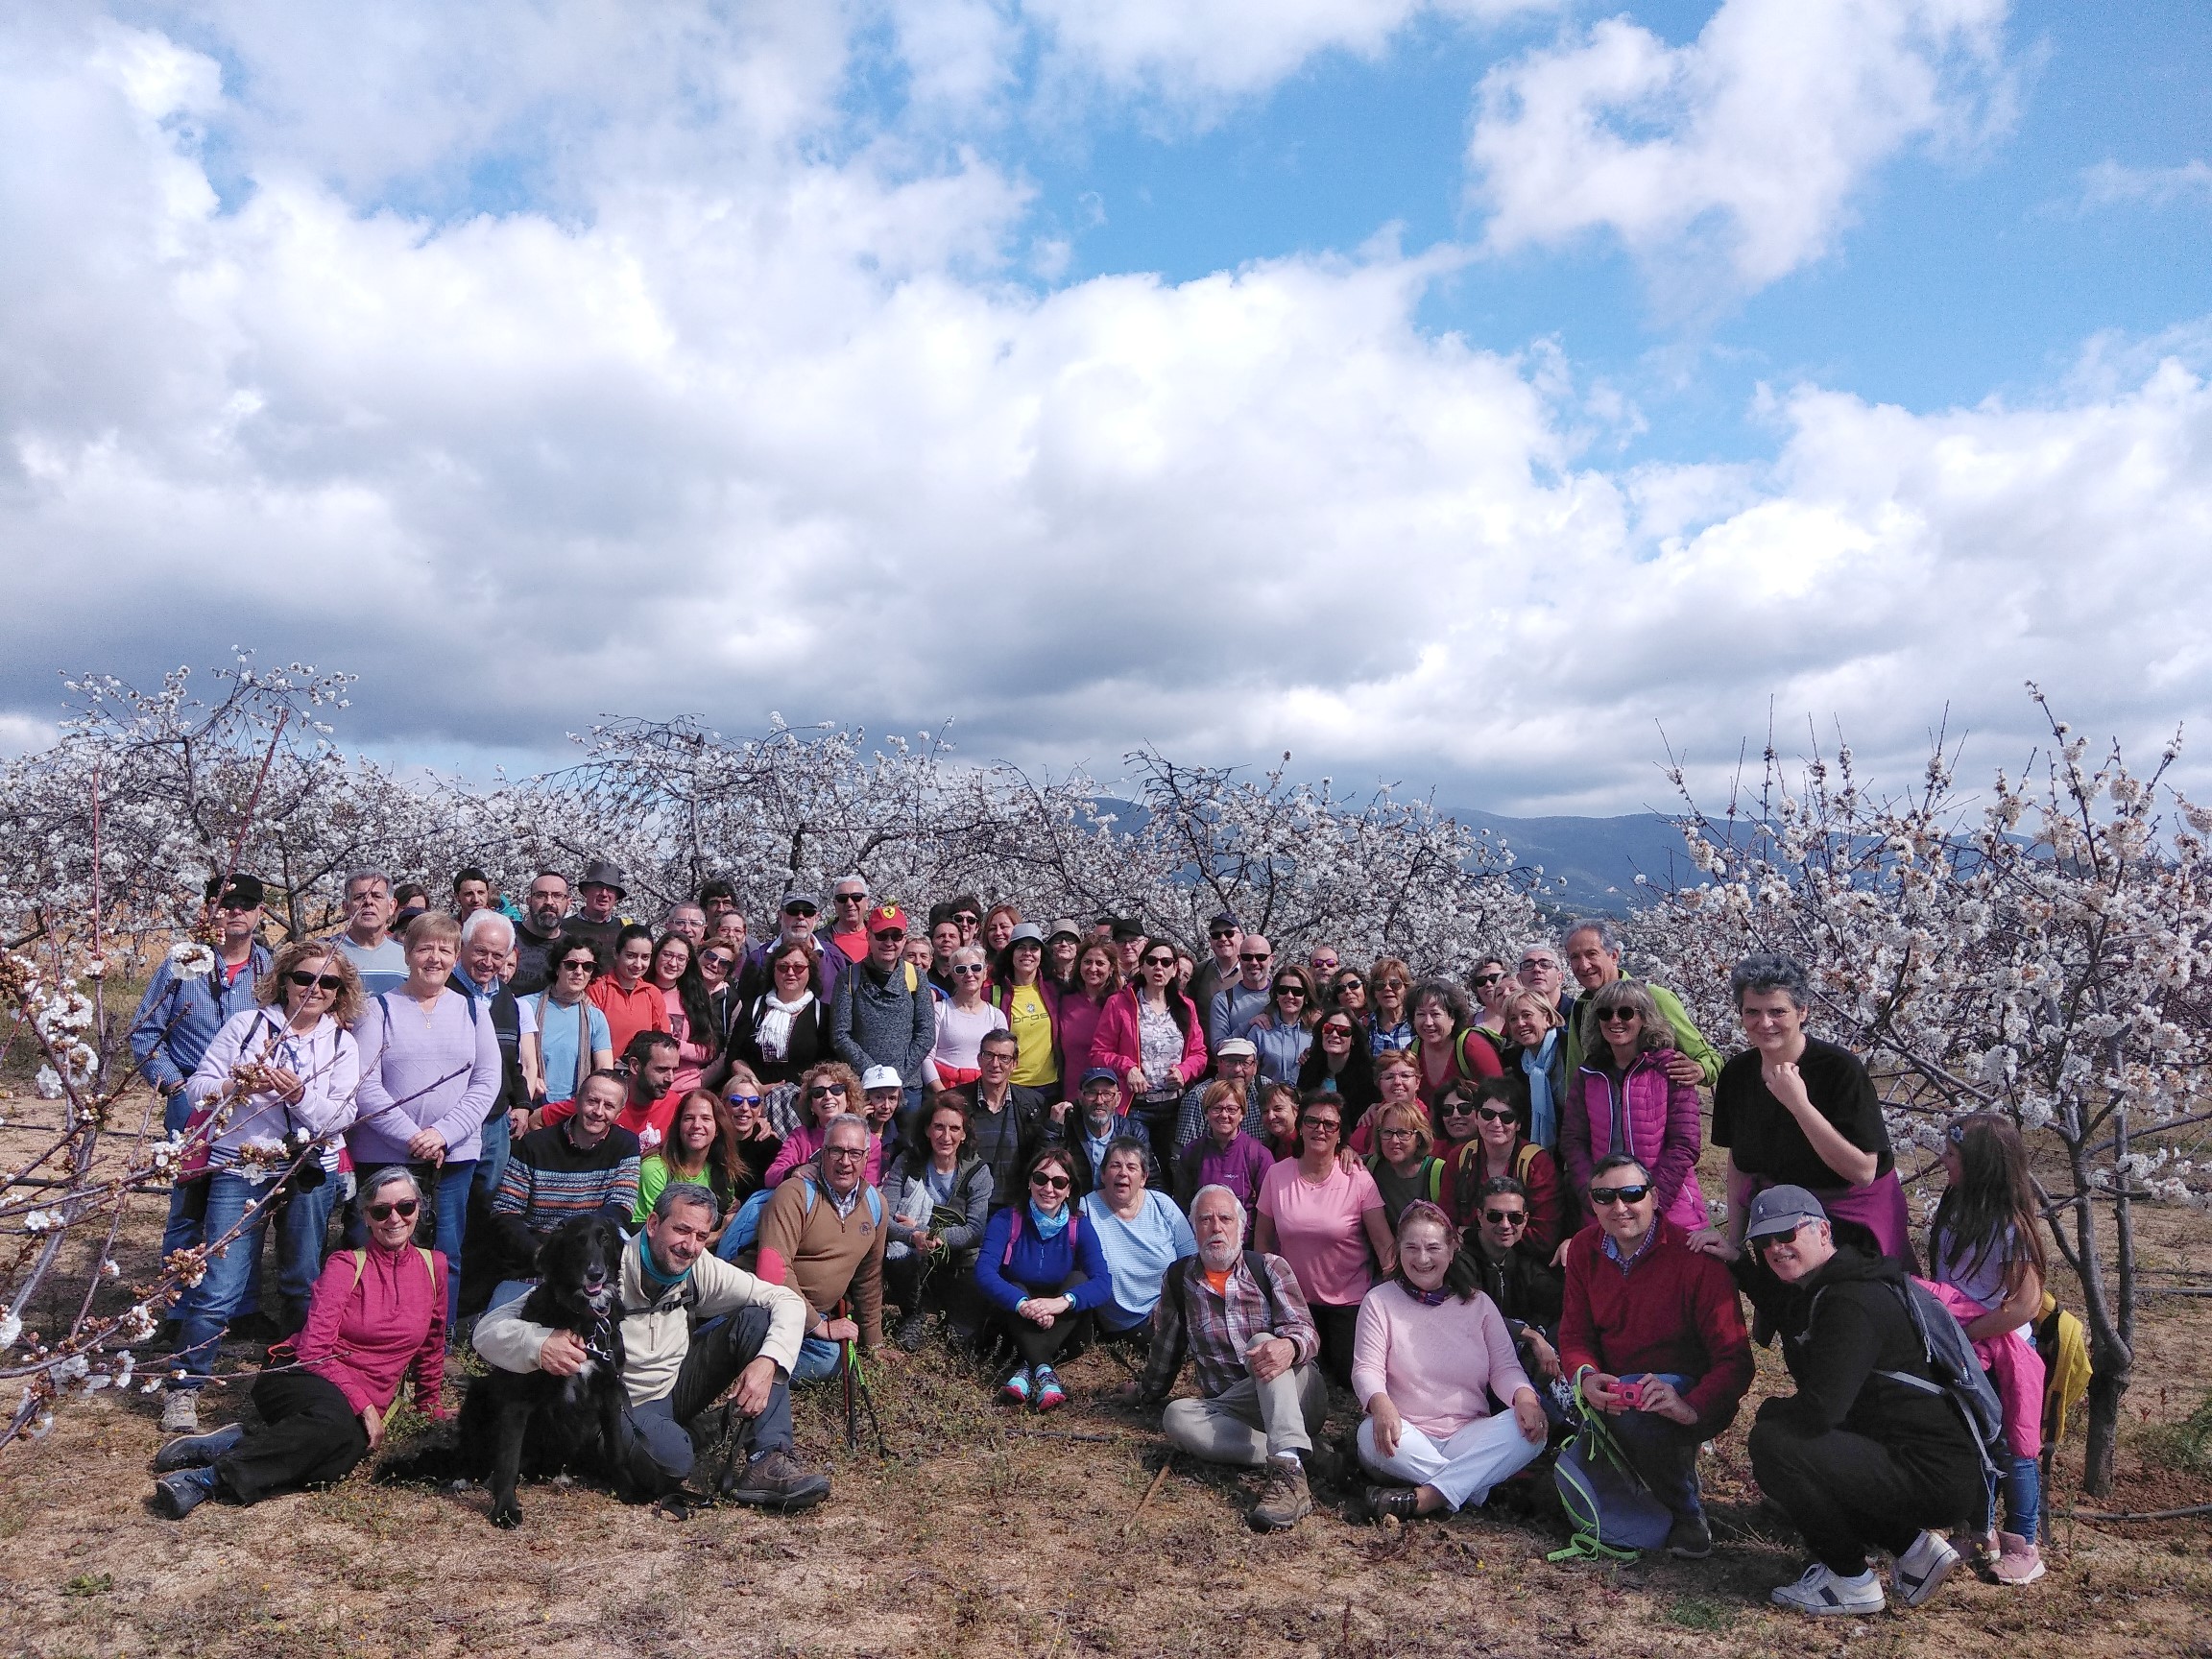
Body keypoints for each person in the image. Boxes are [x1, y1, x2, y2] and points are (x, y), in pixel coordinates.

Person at [475, 1182, 830, 1509]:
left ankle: (768, 1460)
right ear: (652, 1224)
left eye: (700, 1236)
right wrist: (539, 1343)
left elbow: (785, 1300)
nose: (689, 1245)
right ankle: (689, 1433)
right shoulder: (604, 1262)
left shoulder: (700, 1266)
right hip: (621, 1406)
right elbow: (488, 1330)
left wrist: (768, 1361)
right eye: (680, 1229)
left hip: (676, 1386)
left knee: (757, 1319)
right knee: (674, 1460)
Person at [1744, 1187, 1984, 1617]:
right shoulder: (1838, 1283)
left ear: (1822, 1230)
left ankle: (1850, 1580)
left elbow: (1823, 1411)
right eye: (1763, 1242)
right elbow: (1785, 1307)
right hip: (1927, 1462)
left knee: (1776, 1443)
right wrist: (1734, 1265)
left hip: (1931, 1474)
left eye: (1785, 1233)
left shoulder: (1851, 1301)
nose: (1775, 1248)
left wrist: (1771, 1412)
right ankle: (1914, 1550)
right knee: (1802, 1442)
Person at [153, 1167, 445, 1518]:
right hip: (299, 1372)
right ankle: (206, 1479)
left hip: (348, 1401)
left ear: (419, 1209)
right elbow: (314, 1350)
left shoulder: (433, 1266)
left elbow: (432, 1343)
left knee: (337, 1460)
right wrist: (365, 1407)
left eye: (406, 1207)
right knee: (334, 1430)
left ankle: (237, 1442)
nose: (394, 1218)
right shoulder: (345, 1265)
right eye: (381, 1211)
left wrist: (429, 1407)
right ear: (366, 1217)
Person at [157, 940, 363, 1435]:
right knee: (220, 1284)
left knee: (300, 1279)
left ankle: (293, 1382)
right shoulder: (247, 1026)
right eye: (304, 978)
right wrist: (238, 1084)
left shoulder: (341, 1043)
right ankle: (184, 1387)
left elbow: (343, 1115)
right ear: (285, 980)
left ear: (339, 992)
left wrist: (300, 1094)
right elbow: (196, 1089)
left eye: (328, 982)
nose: (314, 989)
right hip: (240, 1167)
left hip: (306, 1169)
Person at [1558, 1153, 1754, 1560]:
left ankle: (1686, 1512)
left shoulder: (1695, 1258)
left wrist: (1690, 1406)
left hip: (1685, 1389)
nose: (1619, 1206)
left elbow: (1735, 1360)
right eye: (1604, 1196)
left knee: (1641, 1403)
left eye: (1632, 1193)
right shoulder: (1583, 1249)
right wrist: (1586, 1376)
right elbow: (1575, 1333)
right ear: (1592, 1204)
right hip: (1616, 1387)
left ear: (1655, 1196)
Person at [1695, 952, 1916, 1271]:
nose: (1765, 1023)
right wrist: (1736, 1240)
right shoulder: (1737, 1074)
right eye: (1752, 1012)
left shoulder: (1839, 1070)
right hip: (1776, 1225)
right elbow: (1739, 1164)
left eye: (1778, 1011)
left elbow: (1863, 1172)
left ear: (1802, 1012)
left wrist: (1799, 1105)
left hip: (1849, 1227)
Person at [1126, 1185, 1329, 1532]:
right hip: (1236, 1409)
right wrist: (1146, 1392)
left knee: (1266, 1344)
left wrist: (1289, 1347)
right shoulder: (1179, 1279)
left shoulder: (1269, 1268)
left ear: (1241, 1226)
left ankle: (1288, 1476)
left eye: (1224, 1219)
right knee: (1177, 1416)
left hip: (1296, 1394)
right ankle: (1301, 1452)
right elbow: (1167, 1348)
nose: (1215, 1228)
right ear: (1194, 1228)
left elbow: (1307, 1331)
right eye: (1205, 1220)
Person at [348, 911, 503, 1324]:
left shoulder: (474, 1012)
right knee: (381, 1248)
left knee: (444, 1252)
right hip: (384, 1155)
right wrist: (412, 1137)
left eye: (444, 949)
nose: (434, 958)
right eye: (424, 948)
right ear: (407, 953)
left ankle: (438, 1336)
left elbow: (486, 1083)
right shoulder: (378, 1009)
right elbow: (365, 1084)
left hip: (453, 1157)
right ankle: (376, 1332)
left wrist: (443, 1134)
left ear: (456, 957)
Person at [1352, 1201, 1548, 1520]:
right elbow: (1366, 1368)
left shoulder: (1479, 1304)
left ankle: (1428, 1497)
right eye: (1411, 1248)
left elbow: (1505, 1369)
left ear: (1452, 1249)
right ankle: (1473, 1487)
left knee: (1530, 1431)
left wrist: (1524, 1398)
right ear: (1398, 1251)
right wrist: (1380, 1404)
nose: (1422, 1258)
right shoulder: (1379, 1301)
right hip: (1407, 1434)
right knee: (1368, 1434)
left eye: (1432, 1247)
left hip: (1468, 1434)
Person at [131, 872, 276, 1293]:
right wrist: (174, 1085)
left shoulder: (270, 970)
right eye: (225, 904)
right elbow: (145, 1030)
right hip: (190, 1095)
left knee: (246, 1200)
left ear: (259, 913)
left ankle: (240, 1306)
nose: (235, 912)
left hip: (251, 1101)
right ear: (208, 910)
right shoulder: (181, 963)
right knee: (188, 1205)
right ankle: (177, 1301)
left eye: (245, 905)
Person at [1929, 1115, 2049, 1585]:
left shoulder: (2010, 1226)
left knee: (2012, 1444)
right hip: (1959, 1343)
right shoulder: (1955, 1205)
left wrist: (1973, 1332)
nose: (1943, 1161)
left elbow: (2025, 1303)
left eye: (1953, 1156)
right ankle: (1978, 1530)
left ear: (1980, 1165)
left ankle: (2024, 1541)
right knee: (1968, 1436)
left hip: (1999, 1351)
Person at [1255, 1094, 1392, 1386]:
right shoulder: (1277, 1175)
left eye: (1330, 1124)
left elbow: (1383, 1243)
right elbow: (1263, 1240)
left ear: (1341, 1133)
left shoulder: (1358, 1177)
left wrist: (1397, 1301)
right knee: (1299, 1375)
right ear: (1300, 1127)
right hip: (1294, 1301)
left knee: (1347, 1376)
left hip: (1348, 1300)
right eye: (1312, 1121)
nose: (1320, 1129)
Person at [1561, 980, 1708, 1236]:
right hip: (1606, 1208)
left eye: (1626, 1012)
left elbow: (1685, 1143)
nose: (1615, 1020)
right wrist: (1594, 1194)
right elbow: (1574, 1140)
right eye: (1606, 1014)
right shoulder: (1588, 1074)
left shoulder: (1670, 1069)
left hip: (1670, 1205)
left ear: (1644, 1018)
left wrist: (1651, 1198)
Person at [487, 1070, 642, 1310]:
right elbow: (505, 1213)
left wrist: (572, 1246)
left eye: (609, 1106)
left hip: (594, 1265)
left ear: (619, 1112)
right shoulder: (534, 1145)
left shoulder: (626, 1146)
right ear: (578, 1100)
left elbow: (620, 1208)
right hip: (534, 1265)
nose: (598, 1112)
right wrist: (542, 1254)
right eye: (592, 1101)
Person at [974, 1145, 1115, 1410]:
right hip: (1013, 1325)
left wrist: (1061, 1303)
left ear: (1069, 1189)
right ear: (1029, 1182)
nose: (1049, 1188)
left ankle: (1027, 1370)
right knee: (1012, 1284)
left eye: (1059, 1182)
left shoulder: (1079, 1225)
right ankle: (1044, 1373)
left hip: (1063, 1328)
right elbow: (983, 1272)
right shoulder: (1006, 1219)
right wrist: (1022, 1303)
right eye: (1041, 1179)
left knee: (1078, 1279)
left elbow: (1102, 1283)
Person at [756, 1113, 893, 1382]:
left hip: (810, 1320)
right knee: (830, 1359)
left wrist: (873, 1342)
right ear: (823, 1152)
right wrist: (820, 1327)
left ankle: (753, 1355)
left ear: (867, 1157)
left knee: (834, 1359)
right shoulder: (794, 1194)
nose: (845, 1161)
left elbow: (868, 1277)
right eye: (836, 1151)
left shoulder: (876, 1206)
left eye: (854, 1153)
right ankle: (739, 1354)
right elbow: (773, 1270)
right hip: (766, 1308)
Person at [450, 909, 534, 1250]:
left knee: (489, 1207)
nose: (488, 962)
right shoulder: (445, 992)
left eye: (497, 955)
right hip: (454, 1121)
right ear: (463, 947)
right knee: (450, 1212)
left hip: (496, 1123)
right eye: (480, 951)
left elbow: (510, 1061)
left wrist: (524, 1104)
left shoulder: (506, 1000)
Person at [882, 1094, 993, 1349]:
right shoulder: (907, 1162)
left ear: (964, 1134)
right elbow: (885, 1218)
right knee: (895, 1254)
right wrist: (912, 1236)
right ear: (926, 1129)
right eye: (939, 1127)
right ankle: (914, 1313)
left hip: (961, 1261)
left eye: (955, 1128)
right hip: (913, 1253)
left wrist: (927, 1232)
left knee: (960, 1342)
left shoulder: (978, 1172)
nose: (946, 1136)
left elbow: (975, 1231)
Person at [1559, 918, 1720, 1088]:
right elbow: (1575, 1079)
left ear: (1614, 955)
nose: (1584, 966)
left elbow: (1710, 1058)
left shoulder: (1654, 998)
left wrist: (1700, 1069)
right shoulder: (1581, 1009)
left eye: (1592, 954)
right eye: (1575, 957)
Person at [1090, 939, 1207, 1160]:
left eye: (1166, 962)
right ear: (1142, 967)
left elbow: (1199, 1054)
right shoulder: (1119, 1004)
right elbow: (1098, 1053)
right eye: (1152, 961)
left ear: (1174, 970)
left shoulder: (1185, 1007)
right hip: (1136, 1105)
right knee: (1136, 1165)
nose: (1158, 967)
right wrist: (1128, 1068)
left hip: (1175, 1106)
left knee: (1174, 1169)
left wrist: (1185, 1071)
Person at [1083, 1137, 1194, 1342]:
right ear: (1103, 1174)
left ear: (1143, 1178)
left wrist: (1171, 1304)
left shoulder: (1162, 1204)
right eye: (1115, 1165)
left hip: (1172, 1307)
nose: (1123, 1172)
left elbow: (1191, 1259)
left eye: (1132, 1167)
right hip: (1125, 1322)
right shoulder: (1086, 1209)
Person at [830, 904, 935, 1106]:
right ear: (868, 937)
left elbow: (926, 1033)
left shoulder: (916, 977)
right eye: (881, 936)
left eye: (896, 936)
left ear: (904, 939)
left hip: (907, 1087)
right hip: (862, 1085)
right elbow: (840, 1034)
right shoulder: (849, 977)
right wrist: (874, 1074)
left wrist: (895, 1076)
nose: (889, 942)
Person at [1468, 1175, 1566, 1384]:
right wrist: (1530, 1336)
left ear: (1526, 1219)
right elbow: (1470, 1314)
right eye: (1495, 1216)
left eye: (1515, 1218)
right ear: (1479, 1216)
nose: (1505, 1225)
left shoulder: (1524, 1258)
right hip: (1470, 1362)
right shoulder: (1458, 1258)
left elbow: (1560, 1301)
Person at [1452, 1076, 1565, 1256]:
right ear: (1476, 1116)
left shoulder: (1537, 1163)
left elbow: (1544, 1236)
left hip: (1523, 1260)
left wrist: (1473, 1235)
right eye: (1488, 1114)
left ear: (1519, 1124)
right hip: (1467, 1258)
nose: (1496, 1124)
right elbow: (1446, 1221)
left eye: (1507, 1117)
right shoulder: (1459, 1157)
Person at [729, 938, 831, 1114]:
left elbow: (828, 1065)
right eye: (783, 967)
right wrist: (757, 1087)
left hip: (803, 1107)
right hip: (753, 1105)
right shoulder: (753, 1008)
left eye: (798, 967)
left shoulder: (823, 1014)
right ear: (773, 971)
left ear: (810, 971)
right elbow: (734, 1056)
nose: (790, 973)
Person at [632, 1088, 746, 1238]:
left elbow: (729, 1213)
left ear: (717, 1128)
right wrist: (719, 1235)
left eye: (706, 1118)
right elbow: (648, 1236)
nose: (696, 1125)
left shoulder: (722, 1170)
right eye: (688, 1118)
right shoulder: (654, 1169)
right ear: (678, 1126)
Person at [524, 938, 613, 1117]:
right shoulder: (526, 1006)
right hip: (533, 1106)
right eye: (571, 965)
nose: (579, 972)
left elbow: (605, 1069)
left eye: (587, 966)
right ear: (557, 968)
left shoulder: (595, 1016)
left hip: (575, 1112)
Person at [760, 1063, 882, 1190]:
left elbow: (868, 1190)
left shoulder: (870, 1142)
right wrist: (795, 1171)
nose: (828, 1097)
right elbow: (771, 1176)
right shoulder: (800, 1136)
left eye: (836, 1090)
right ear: (811, 1105)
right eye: (818, 1092)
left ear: (848, 1099)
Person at [961, 1029, 1038, 1212]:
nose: (995, 1064)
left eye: (1004, 1057)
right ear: (979, 1059)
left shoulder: (1032, 1105)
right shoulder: (957, 1102)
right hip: (966, 1207)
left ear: (1014, 1064)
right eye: (989, 1055)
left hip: (1014, 1210)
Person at [989, 923, 1061, 1109]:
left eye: (1034, 948)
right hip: (1011, 1087)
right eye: (1021, 948)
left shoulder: (1056, 991)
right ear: (1011, 954)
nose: (1027, 953)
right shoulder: (993, 994)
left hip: (1049, 1087)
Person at [1175, 1078, 1275, 1214]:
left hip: (1244, 1233)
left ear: (1242, 1114)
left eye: (1231, 1109)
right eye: (1217, 1108)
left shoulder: (1259, 1155)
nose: (1224, 1115)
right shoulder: (1191, 1153)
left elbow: (1269, 1209)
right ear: (1206, 1113)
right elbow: (1182, 1205)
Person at [1408, 978, 1503, 1108]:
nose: (1428, 1022)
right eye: (1421, 1014)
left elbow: (1500, 1096)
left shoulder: (1474, 1047)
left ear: (1452, 1017)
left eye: (1435, 1014)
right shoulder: (1413, 1051)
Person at [646, 932, 719, 1096]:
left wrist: (674, 1046)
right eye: (667, 955)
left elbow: (708, 1050)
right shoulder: (640, 991)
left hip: (685, 1089)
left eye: (681, 958)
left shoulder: (695, 998)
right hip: (646, 1088)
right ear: (656, 955)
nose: (673, 963)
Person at [926, 944, 1007, 1090]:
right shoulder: (939, 1010)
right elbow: (926, 1058)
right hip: (943, 1090)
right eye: (961, 969)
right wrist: (942, 1095)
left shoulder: (997, 1016)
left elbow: (1003, 1060)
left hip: (982, 1090)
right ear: (953, 975)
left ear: (985, 973)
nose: (969, 974)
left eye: (976, 968)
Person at [742, 892, 843, 1005]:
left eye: (808, 912)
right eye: (793, 911)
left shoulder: (834, 956)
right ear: (780, 916)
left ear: (817, 917)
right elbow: (746, 1006)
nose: (800, 917)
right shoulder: (759, 958)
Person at [589, 924, 669, 1062]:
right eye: (631, 956)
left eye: (645, 957)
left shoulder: (652, 994)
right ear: (616, 953)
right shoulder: (598, 988)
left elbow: (663, 1040)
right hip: (602, 1073)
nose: (638, 964)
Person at [1363, 1099, 1448, 1231]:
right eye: (1387, 1132)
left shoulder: (1440, 1171)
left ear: (1419, 1138)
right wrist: (1346, 1151)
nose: (1394, 1141)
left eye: (1403, 1133)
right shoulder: (1368, 1166)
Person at [1500, 987, 1566, 1151]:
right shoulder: (1516, 1064)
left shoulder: (1567, 1048)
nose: (1520, 1023)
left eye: (1527, 1015)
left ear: (1548, 1019)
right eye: (1513, 1019)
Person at [1061, 1065, 1150, 1188]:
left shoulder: (1134, 1133)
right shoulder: (1066, 1130)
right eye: (1092, 1093)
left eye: (1107, 1094)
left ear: (1118, 1099)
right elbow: (1045, 1170)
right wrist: (1052, 1128)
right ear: (1080, 1097)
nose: (1099, 1100)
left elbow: (1152, 1181)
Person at [1056, 938, 1121, 1101]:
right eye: (1087, 962)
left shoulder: (1121, 1004)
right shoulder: (1064, 1000)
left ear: (1111, 968)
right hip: (1072, 1093)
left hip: (1107, 1097)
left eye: (1100, 963)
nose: (1093, 968)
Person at [1175, 1036, 1262, 1152]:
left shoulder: (1263, 1088)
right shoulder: (1199, 1096)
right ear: (1219, 1064)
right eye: (1230, 1062)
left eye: (1244, 1063)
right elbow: (1184, 1151)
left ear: (1255, 1066)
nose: (1237, 1069)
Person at [331, 868, 408, 998]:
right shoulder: (326, 953)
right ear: (346, 907)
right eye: (359, 897)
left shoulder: (407, 956)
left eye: (377, 896)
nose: (368, 902)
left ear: (391, 906)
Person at [1246, 962, 1319, 1088]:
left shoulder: (1316, 1031)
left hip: (1306, 1102)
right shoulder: (1260, 1031)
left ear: (1306, 997)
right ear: (1276, 995)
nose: (1289, 996)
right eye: (1283, 990)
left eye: (1297, 991)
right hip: (1267, 1103)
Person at [1296, 1008, 1377, 1119]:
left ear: (1353, 1039)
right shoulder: (1309, 1067)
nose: (1334, 1034)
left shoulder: (1368, 1074)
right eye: (1328, 1028)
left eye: (1343, 1031)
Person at [718, 1064, 783, 1194]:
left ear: (760, 1109)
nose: (745, 1108)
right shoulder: (712, 1141)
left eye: (753, 1102)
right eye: (736, 1101)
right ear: (723, 1105)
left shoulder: (772, 1148)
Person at [507, 870, 571, 998]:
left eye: (557, 896)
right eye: (541, 895)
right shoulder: (506, 935)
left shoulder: (571, 947)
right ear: (529, 901)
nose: (549, 902)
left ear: (568, 903)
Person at [1206, 933, 1274, 1051]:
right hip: (1239, 1069)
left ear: (1271, 960)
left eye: (1261, 957)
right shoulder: (1224, 1000)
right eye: (1247, 957)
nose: (1254, 962)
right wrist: (1248, 1025)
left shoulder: (1284, 996)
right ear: (1239, 959)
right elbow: (1218, 1048)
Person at [1187, 913, 1242, 1039]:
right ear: (1210, 941)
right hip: (1205, 1054)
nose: (1223, 939)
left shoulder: (1253, 973)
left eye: (1229, 933)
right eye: (1216, 935)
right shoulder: (1198, 972)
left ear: (1241, 938)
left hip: (1243, 1055)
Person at [565, 859, 630, 956]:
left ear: (616, 896)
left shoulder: (625, 930)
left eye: (610, 888)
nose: (604, 894)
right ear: (586, 890)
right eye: (599, 887)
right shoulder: (564, 928)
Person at [1513, 940, 1575, 1025]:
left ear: (1559, 977)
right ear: (1519, 979)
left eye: (1545, 965)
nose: (1537, 969)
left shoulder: (1579, 1013)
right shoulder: (1515, 1020)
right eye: (1528, 965)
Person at [1466, 957, 1514, 1060]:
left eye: (1494, 978)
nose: (1488, 984)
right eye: (1481, 981)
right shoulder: (1468, 1024)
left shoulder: (1524, 1018)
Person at [1366, 957, 1414, 1053]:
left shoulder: (1417, 1023)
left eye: (1395, 984)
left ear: (1406, 989)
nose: (1387, 988)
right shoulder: (1364, 1026)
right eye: (1380, 984)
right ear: (1374, 992)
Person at [825, 874, 873, 963]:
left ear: (867, 903)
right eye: (842, 898)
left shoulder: (882, 938)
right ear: (835, 904)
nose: (849, 903)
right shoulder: (818, 941)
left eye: (856, 897)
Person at [1045, 918, 1083, 991]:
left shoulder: (1085, 978)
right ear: (1051, 946)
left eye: (1069, 939)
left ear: (1077, 946)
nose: (1063, 944)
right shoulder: (1041, 978)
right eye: (1058, 939)